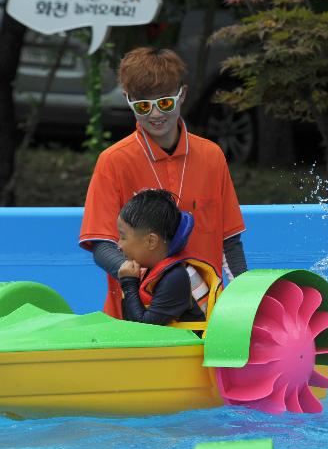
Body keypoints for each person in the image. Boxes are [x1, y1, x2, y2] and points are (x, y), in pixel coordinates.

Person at [79, 47, 247, 319]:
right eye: (143, 106)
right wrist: (141, 277)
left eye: (165, 103)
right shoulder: (113, 161)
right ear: (128, 99)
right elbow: (101, 244)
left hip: (206, 319)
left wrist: (245, 298)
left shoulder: (211, 156)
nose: (156, 114)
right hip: (134, 318)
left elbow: (230, 242)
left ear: (182, 94)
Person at [116, 189, 221, 328]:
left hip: (194, 349)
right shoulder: (152, 270)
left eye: (123, 237)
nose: (119, 245)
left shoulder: (176, 276)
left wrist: (129, 284)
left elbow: (143, 329)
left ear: (151, 241)